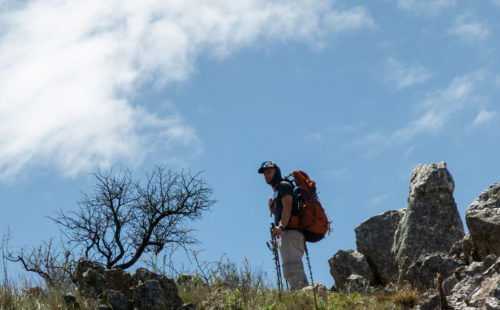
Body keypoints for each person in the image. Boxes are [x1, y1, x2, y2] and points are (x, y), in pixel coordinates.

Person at [258, 161, 308, 290]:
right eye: (264, 174)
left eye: (269, 172)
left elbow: (288, 206)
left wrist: (281, 227)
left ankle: (300, 299)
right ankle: (306, 297)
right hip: (292, 233)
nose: (266, 176)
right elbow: (284, 208)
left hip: (289, 232)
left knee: (291, 267)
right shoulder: (279, 188)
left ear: (276, 172)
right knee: (295, 266)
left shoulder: (283, 185)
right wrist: (273, 209)